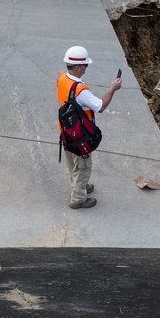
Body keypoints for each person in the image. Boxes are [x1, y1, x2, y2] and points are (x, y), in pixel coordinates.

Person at [57, 46, 122, 209]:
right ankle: (78, 197)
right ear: (78, 67)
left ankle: (78, 185)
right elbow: (100, 106)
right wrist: (112, 89)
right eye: (85, 65)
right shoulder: (80, 90)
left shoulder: (62, 79)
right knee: (83, 166)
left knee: (72, 162)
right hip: (80, 135)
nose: (87, 68)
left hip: (66, 131)